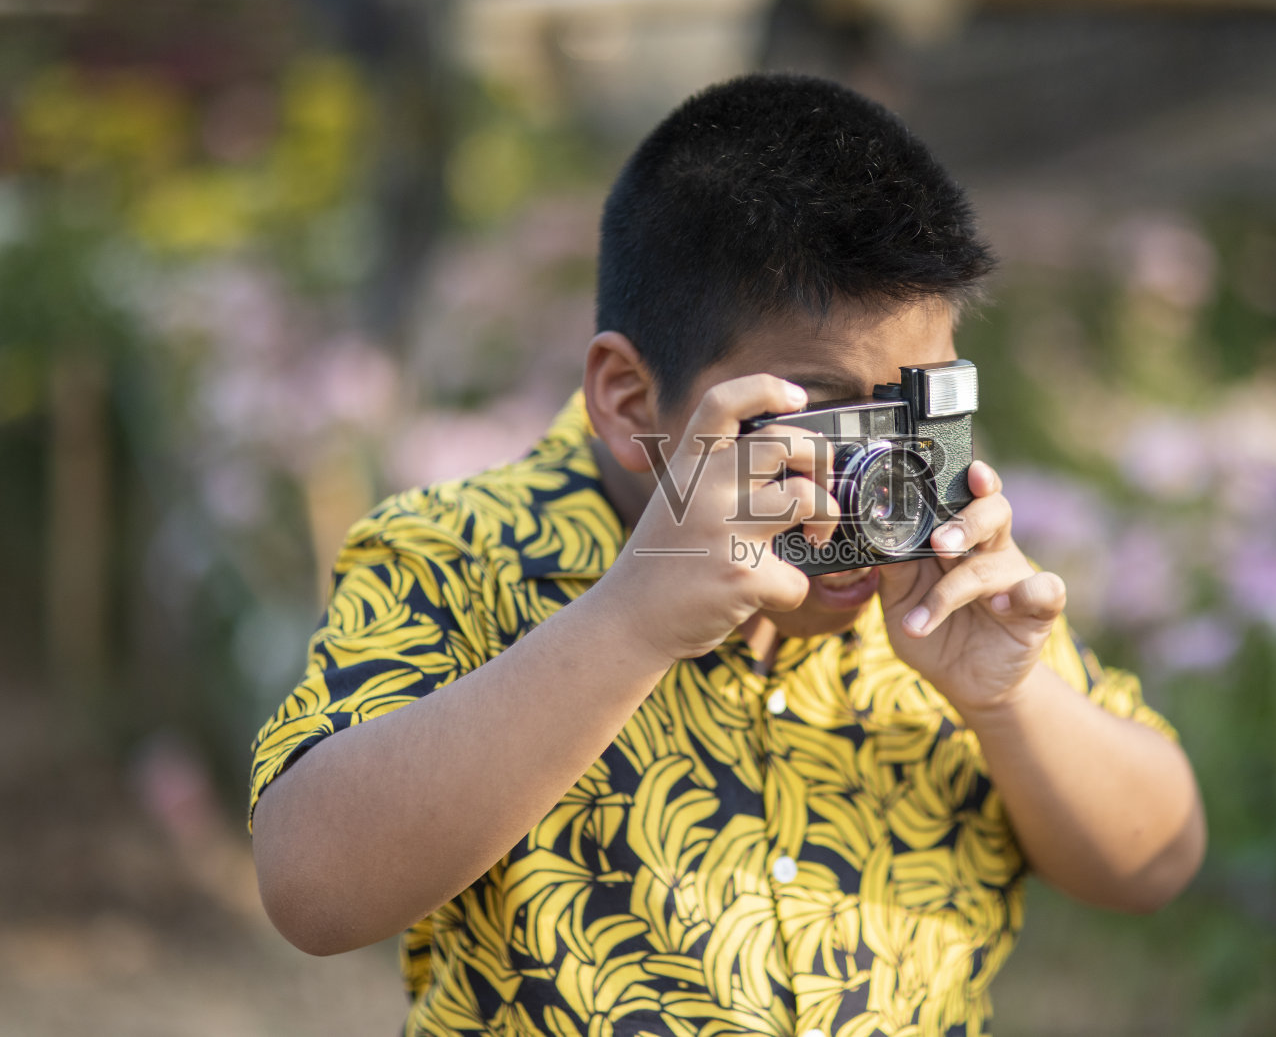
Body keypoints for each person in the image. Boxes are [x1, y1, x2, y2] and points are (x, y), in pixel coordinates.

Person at [249, 72, 1206, 1037]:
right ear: (630, 399)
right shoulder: (462, 552)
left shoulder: (943, 576)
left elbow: (1155, 864)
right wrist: (630, 623)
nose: (880, 475)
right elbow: (314, 893)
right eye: (826, 418)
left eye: (917, 413)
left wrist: (1010, 699)